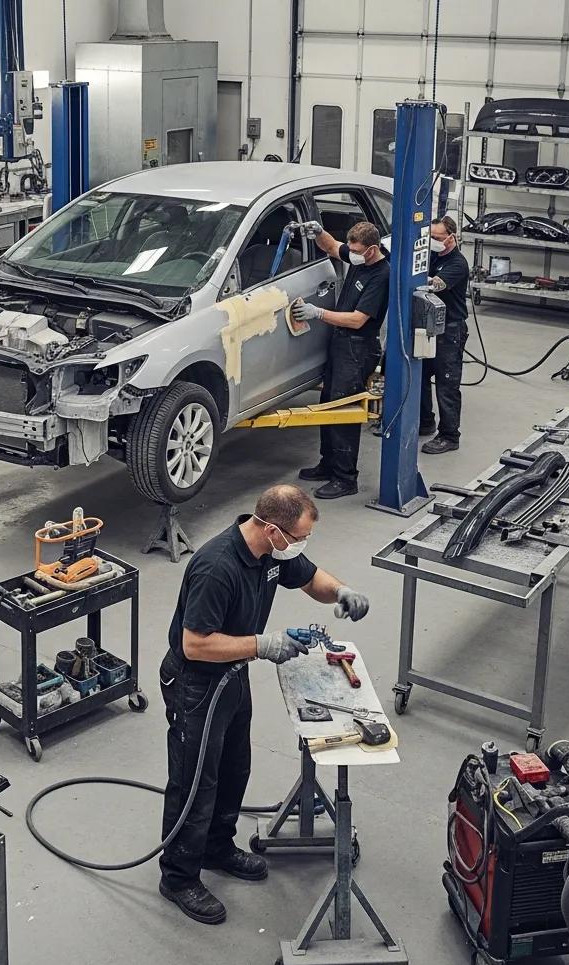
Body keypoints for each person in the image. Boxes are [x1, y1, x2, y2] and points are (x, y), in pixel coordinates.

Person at [159, 484, 370, 925]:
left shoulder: (274, 553)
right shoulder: (217, 567)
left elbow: (310, 578)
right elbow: (195, 644)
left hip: (233, 675)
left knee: (234, 769)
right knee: (195, 782)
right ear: (273, 530)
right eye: (298, 538)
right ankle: (178, 877)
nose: (301, 545)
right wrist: (263, 644)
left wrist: (341, 591)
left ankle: (216, 848)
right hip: (196, 684)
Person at [292, 221, 391, 499]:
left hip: (358, 349)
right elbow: (333, 247)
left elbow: (358, 320)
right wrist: (319, 232)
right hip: (341, 343)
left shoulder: (381, 274)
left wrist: (318, 313)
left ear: (372, 250)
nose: (352, 255)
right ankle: (328, 464)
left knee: (343, 411)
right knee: (328, 404)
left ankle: (346, 478)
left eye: (357, 251)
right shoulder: (360, 257)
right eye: (352, 250)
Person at [420, 215, 470, 454]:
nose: (433, 241)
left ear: (452, 238)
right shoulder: (432, 256)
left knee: (446, 383)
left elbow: (437, 285)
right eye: (430, 236)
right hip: (429, 327)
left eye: (437, 237)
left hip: (450, 330)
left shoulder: (457, 263)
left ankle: (450, 436)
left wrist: (416, 277)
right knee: (420, 375)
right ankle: (424, 422)